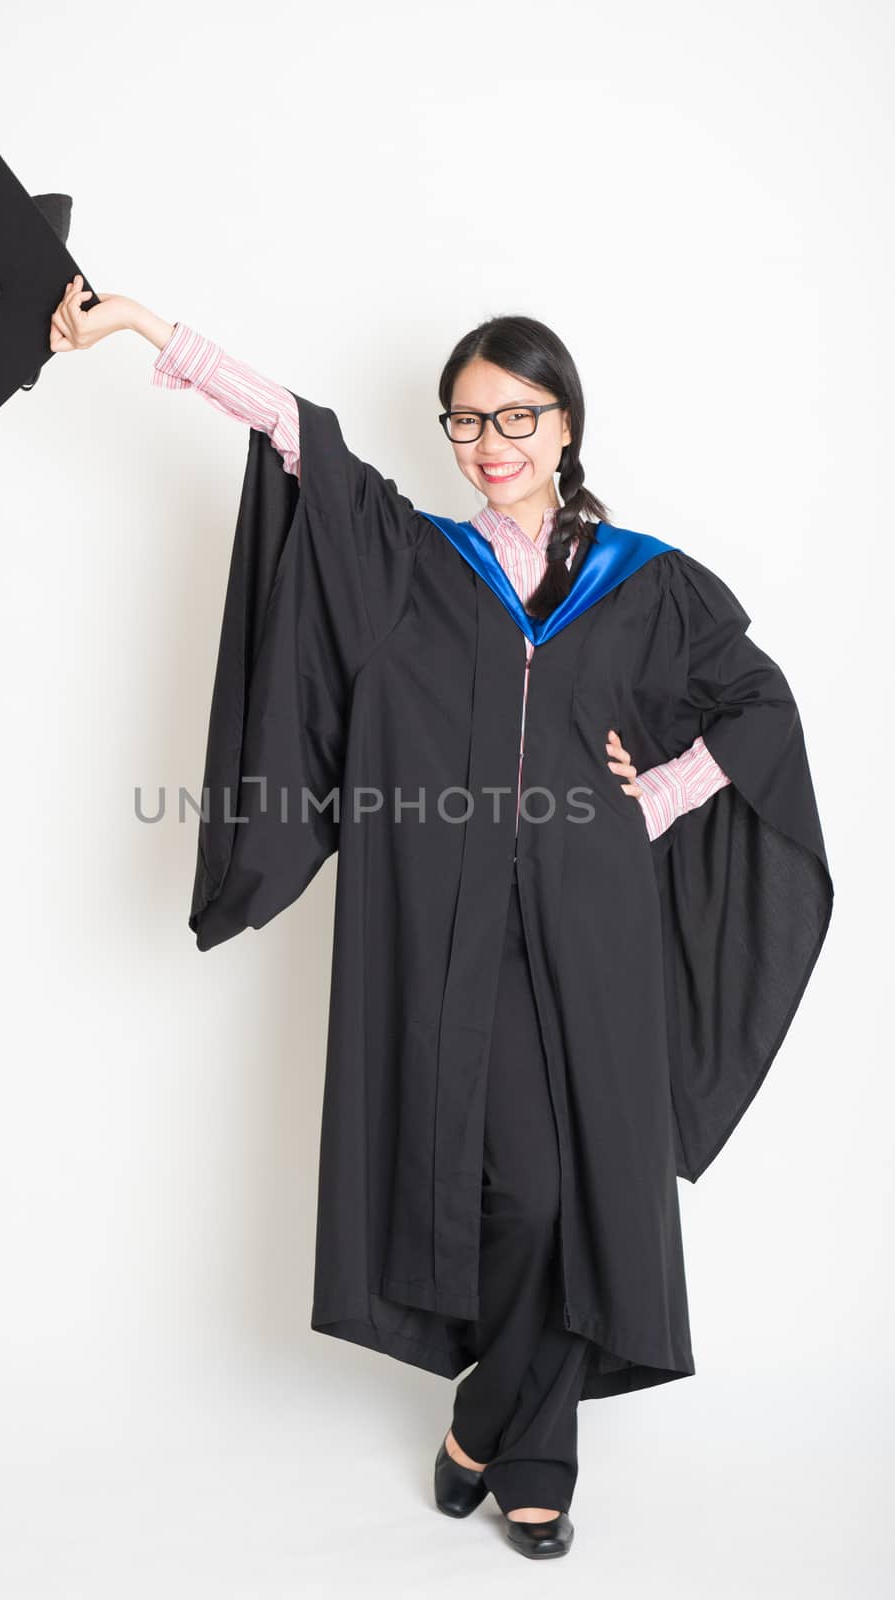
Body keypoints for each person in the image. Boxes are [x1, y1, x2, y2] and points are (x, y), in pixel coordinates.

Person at [50, 280, 834, 1562]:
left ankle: (507, 1438)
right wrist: (142, 325)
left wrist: (665, 797)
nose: (491, 444)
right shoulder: (422, 563)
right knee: (519, 1188)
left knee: (584, 1192)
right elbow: (304, 438)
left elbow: (759, 703)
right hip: (457, 924)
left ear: (566, 423)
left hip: (599, 933)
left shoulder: (647, 584)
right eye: (466, 422)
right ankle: (502, 1425)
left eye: (516, 416)